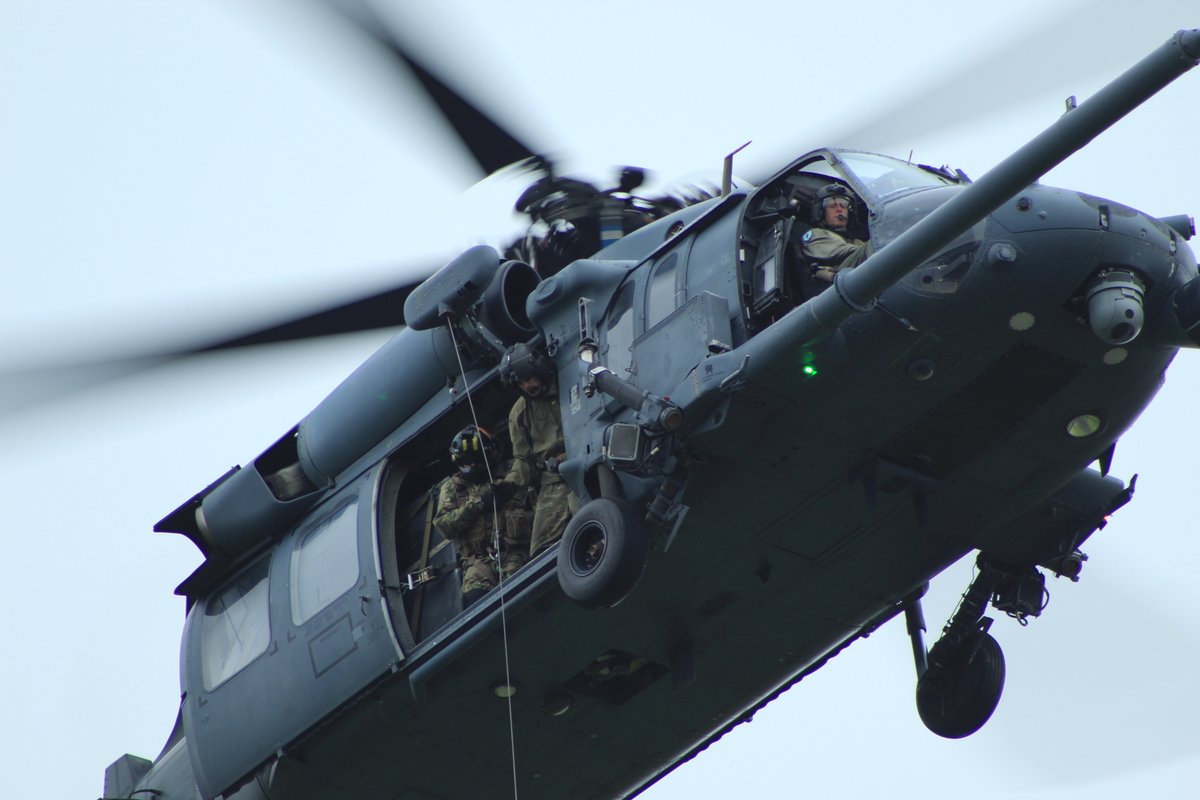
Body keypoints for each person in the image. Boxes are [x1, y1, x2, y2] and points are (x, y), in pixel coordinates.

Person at [433, 425, 532, 608]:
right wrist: (477, 505)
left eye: (477, 460)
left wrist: (507, 489)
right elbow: (444, 525)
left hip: (515, 553)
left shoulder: (511, 472)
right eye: (467, 461)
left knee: (524, 594)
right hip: (477, 563)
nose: (472, 465)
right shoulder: (452, 488)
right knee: (475, 600)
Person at [496, 343, 580, 556]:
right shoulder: (518, 413)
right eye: (521, 383)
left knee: (587, 510)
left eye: (528, 377)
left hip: (585, 456)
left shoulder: (571, 379)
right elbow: (523, 460)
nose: (528, 385)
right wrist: (508, 485)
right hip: (554, 479)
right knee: (540, 549)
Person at [799, 183, 870, 282]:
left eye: (844, 205)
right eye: (832, 205)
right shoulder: (816, 234)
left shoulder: (856, 241)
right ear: (821, 211)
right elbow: (839, 252)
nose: (839, 209)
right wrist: (873, 247)